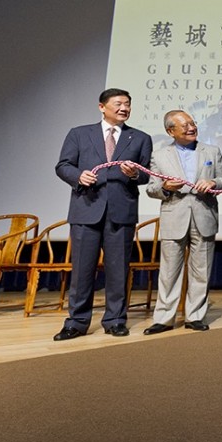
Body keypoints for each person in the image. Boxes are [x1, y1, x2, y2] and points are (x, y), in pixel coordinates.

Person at [53, 88, 152, 341]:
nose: (124, 108)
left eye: (128, 104)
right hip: (86, 209)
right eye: (118, 103)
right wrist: (79, 176)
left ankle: (116, 320)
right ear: (101, 107)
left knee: (119, 270)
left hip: (121, 212)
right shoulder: (79, 134)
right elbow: (63, 166)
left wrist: (134, 174)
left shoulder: (140, 138)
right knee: (82, 270)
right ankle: (76, 322)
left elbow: (145, 174)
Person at [142, 110, 222, 335]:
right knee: (169, 272)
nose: (192, 127)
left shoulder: (212, 150)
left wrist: (212, 182)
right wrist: (165, 188)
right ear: (170, 131)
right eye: (185, 125)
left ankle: (195, 316)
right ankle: (164, 318)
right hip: (174, 216)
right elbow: (151, 188)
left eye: (192, 123)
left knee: (202, 270)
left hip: (204, 215)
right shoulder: (160, 155)